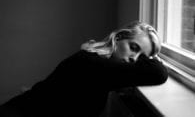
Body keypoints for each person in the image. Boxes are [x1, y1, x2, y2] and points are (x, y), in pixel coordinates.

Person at [0, 21, 168, 117]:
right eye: (134, 48)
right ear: (119, 37)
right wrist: (152, 61)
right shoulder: (94, 64)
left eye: (143, 56)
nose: (134, 59)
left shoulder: (96, 59)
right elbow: (158, 73)